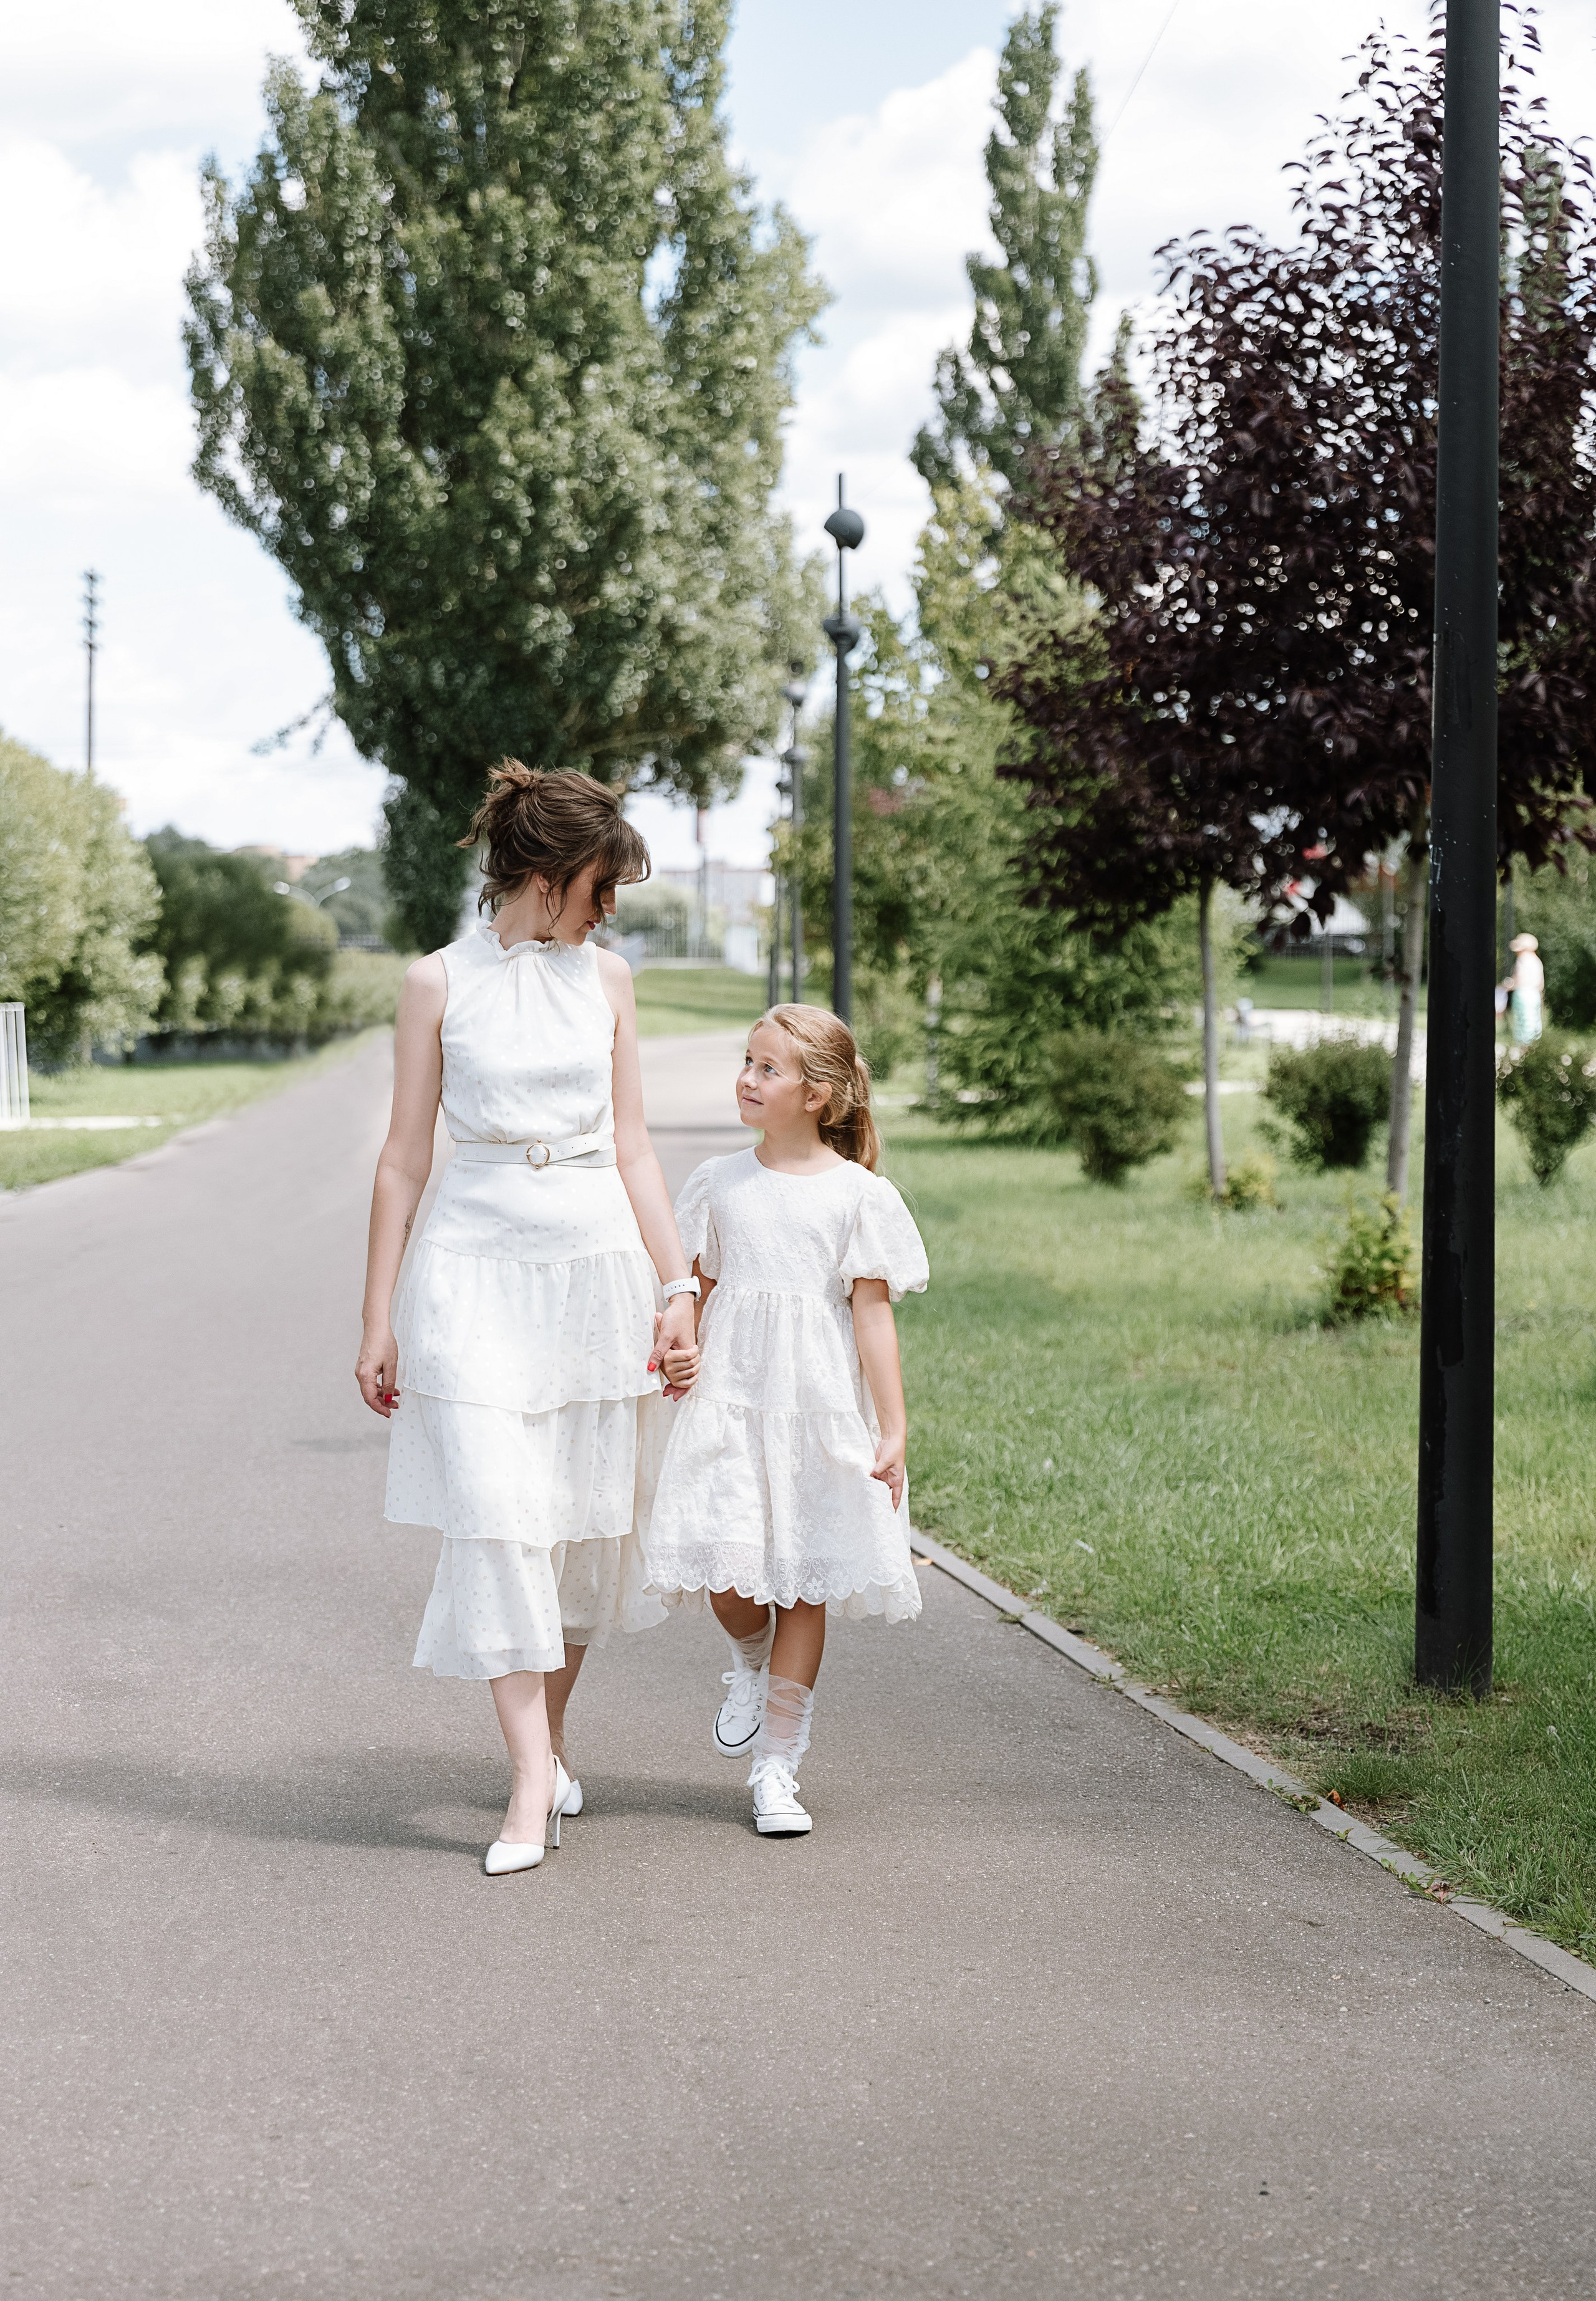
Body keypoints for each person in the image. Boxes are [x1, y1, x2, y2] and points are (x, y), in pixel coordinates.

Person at [356, 763, 701, 1878]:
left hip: (594, 1267)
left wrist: (678, 1284)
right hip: (470, 1274)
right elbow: (404, 1159)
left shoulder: (607, 980)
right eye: (603, 886)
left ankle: (547, 1745)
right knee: (500, 1517)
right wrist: (378, 1319)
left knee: (580, 1530)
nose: (611, 910)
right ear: (548, 875)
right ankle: (526, 1783)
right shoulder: (435, 982)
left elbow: (638, 1148)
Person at [643, 1004, 928, 1838]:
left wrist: (895, 1427)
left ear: (819, 1094)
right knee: (731, 1575)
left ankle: (778, 1764)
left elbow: (873, 1317)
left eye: (769, 1068)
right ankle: (747, 1658)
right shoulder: (720, 1182)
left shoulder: (858, 1196)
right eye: (747, 1061)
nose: (747, 1077)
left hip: (816, 1410)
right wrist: (683, 1338)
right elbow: (694, 1286)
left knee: (804, 1579)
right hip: (732, 1401)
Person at [1502, 933, 1545, 1045]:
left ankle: (1524, 1046)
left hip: (1523, 992)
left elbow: (1519, 978)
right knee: (1534, 1021)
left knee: (1523, 1021)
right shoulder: (1537, 960)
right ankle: (1534, 1047)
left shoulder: (1523, 959)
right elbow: (1541, 982)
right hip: (1534, 993)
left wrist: (1508, 985)